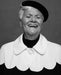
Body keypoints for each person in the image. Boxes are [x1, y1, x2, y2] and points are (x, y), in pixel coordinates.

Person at [0, 0, 61, 74]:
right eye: (28, 16)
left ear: (42, 23)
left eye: (38, 17)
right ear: (21, 22)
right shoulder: (5, 50)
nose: (33, 20)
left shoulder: (58, 51)